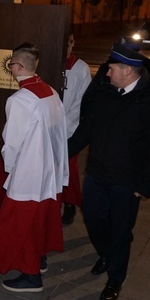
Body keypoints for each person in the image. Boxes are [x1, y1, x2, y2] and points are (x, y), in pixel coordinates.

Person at [68, 42, 150, 300]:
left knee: (121, 229)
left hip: (127, 181)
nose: (107, 73)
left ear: (127, 70)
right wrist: (59, 154)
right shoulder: (106, 94)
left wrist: (147, 183)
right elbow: (86, 130)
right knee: (93, 218)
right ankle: (108, 253)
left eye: (111, 69)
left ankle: (116, 276)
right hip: (97, 174)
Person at [0, 44, 68, 292]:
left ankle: (32, 275)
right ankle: (40, 259)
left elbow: (12, 142)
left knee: (21, 223)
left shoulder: (20, 99)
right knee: (41, 218)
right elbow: (59, 133)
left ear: (18, 67)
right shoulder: (51, 92)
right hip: (49, 171)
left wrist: (12, 171)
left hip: (29, 173)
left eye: (11, 65)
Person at [61, 31, 91, 224]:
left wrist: (66, 126)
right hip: (48, 127)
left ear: (73, 44)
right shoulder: (48, 61)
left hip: (69, 128)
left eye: (69, 43)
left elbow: (83, 102)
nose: (67, 47)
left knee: (68, 167)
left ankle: (70, 203)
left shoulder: (81, 68)